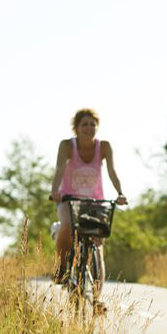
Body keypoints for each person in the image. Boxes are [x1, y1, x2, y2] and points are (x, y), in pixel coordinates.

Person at [50, 108, 128, 313]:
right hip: (69, 200)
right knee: (67, 227)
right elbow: (59, 169)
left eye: (92, 124)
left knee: (98, 248)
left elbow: (112, 170)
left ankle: (97, 298)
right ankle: (61, 268)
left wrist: (120, 193)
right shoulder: (67, 146)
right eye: (84, 124)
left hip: (95, 203)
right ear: (76, 128)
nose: (88, 128)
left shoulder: (103, 147)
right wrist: (54, 191)